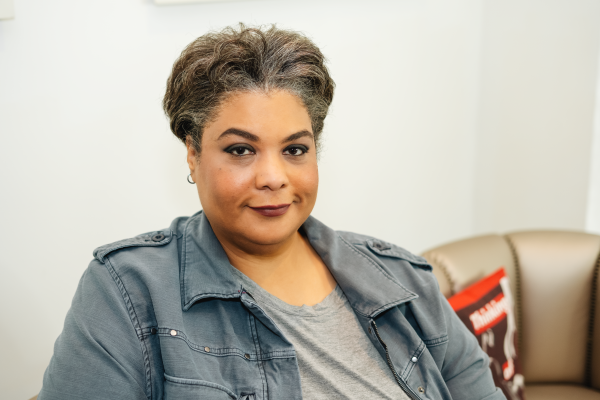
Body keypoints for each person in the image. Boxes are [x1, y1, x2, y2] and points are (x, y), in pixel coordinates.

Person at [38, 24, 505, 400]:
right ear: (193, 155)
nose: (273, 177)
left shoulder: (404, 282)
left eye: (295, 149)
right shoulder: (127, 290)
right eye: (241, 150)